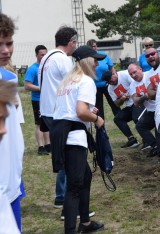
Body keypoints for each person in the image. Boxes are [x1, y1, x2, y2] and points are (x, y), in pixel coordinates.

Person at [51, 45, 105, 233]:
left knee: (85, 176)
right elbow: (81, 112)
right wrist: (97, 118)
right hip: (74, 137)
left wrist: (90, 112)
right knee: (74, 186)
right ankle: (70, 230)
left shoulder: (67, 82)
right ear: (87, 62)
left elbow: (68, 110)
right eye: (95, 60)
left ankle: (85, 223)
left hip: (61, 135)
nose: (98, 64)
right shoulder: (86, 81)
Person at [38, 26, 78, 212]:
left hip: (46, 111)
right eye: (75, 43)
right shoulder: (62, 59)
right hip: (58, 113)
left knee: (61, 154)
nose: (75, 46)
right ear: (70, 42)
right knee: (68, 155)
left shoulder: (45, 58)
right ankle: (65, 198)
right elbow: (74, 85)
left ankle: (62, 196)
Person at [0, 13, 25, 233]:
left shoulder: (8, 79)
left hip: (12, 179)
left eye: (9, 43)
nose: (6, 50)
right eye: (0, 45)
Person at [102, 70, 143, 148]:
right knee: (117, 119)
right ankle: (132, 139)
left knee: (136, 117)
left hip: (138, 102)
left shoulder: (125, 75)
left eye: (111, 80)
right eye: (108, 82)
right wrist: (122, 99)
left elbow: (137, 84)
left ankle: (146, 140)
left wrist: (131, 94)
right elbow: (117, 103)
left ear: (114, 74)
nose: (111, 83)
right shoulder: (110, 88)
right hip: (129, 106)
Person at [24, 45, 50, 155]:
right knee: (39, 123)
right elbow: (27, 86)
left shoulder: (48, 67)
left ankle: (48, 145)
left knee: (48, 122)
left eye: (45, 54)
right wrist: (42, 88)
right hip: (37, 100)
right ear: (36, 55)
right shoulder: (32, 69)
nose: (44, 56)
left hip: (48, 99)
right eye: (41, 55)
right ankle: (41, 147)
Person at [86, 39, 120, 120]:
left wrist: (115, 77)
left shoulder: (103, 55)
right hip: (95, 86)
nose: (94, 48)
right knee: (98, 107)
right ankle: (100, 125)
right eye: (91, 47)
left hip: (107, 84)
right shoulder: (87, 59)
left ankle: (120, 120)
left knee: (113, 103)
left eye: (95, 46)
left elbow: (111, 68)